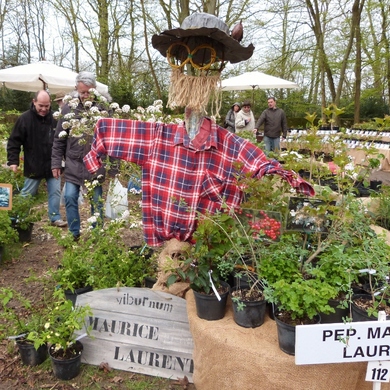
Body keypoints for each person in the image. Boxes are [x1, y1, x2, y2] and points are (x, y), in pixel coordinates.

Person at [51, 71, 106, 240]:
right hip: (74, 162)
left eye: (89, 91)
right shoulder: (68, 108)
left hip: (95, 163)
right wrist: (55, 163)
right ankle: (74, 233)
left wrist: (113, 166)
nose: (86, 95)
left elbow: (111, 139)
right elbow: (59, 139)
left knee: (96, 201)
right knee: (69, 197)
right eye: (82, 92)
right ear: (76, 89)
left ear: (95, 89)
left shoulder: (103, 109)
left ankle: (97, 233)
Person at [6, 90, 67, 227]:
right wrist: (13, 161)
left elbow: (64, 140)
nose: (44, 109)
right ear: (34, 102)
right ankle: (19, 218)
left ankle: (55, 217)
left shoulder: (56, 119)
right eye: (41, 106)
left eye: (47, 106)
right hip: (33, 164)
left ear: (50, 103)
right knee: (27, 193)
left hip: (53, 164)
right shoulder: (24, 119)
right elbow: (14, 142)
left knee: (55, 192)